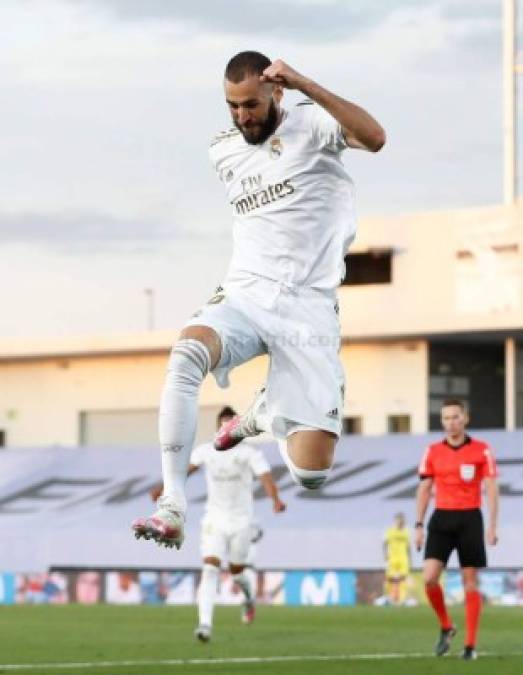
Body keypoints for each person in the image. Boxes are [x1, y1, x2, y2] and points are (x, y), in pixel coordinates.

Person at [133, 50, 385, 549]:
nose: (243, 115)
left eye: (250, 104)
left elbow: (376, 138)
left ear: (276, 91)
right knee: (186, 354)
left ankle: (263, 416)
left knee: (311, 474)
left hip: (308, 308)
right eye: (232, 106)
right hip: (246, 294)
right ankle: (173, 504)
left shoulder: (314, 125)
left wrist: (304, 82)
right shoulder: (222, 151)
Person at [150, 406, 286, 642]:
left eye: (231, 425)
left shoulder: (250, 453)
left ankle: (249, 598)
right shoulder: (206, 451)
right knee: (210, 567)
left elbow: (265, 477)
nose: (227, 428)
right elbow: (185, 471)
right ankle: (204, 625)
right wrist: (164, 487)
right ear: (218, 428)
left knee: (236, 572)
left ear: (238, 429)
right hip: (215, 519)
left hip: (242, 520)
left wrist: (275, 499)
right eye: (223, 424)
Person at [415, 399, 499, 661]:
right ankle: (446, 626)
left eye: (455, 417)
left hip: (470, 519)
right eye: (446, 418)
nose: (450, 423)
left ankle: (470, 647)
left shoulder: (482, 450)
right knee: (429, 578)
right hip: (441, 519)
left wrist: (492, 525)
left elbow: (492, 488)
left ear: (465, 419)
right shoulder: (432, 451)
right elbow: (425, 488)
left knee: (469, 582)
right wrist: (418, 524)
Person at [383, 512, 410, 605]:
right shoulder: (390, 531)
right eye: (399, 519)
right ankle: (390, 598)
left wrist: (409, 559)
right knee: (391, 578)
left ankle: (402, 599)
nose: (401, 522)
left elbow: (408, 547)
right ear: (395, 521)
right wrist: (385, 555)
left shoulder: (406, 532)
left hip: (403, 558)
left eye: (402, 520)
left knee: (402, 578)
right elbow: (385, 543)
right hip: (392, 558)